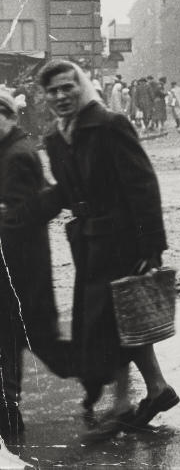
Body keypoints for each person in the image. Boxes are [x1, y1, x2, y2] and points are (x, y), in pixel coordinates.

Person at [26, 60, 178, 435]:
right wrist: (22, 213)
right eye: (53, 91)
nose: (61, 96)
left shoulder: (110, 125)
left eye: (67, 87)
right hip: (89, 245)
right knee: (115, 322)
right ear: (44, 97)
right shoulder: (57, 137)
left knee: (112, 321)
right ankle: (152, 390)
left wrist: (152, 245)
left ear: (81, 86)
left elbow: (142, 184)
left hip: (122, 240)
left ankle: (125, 401)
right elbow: (66, 191)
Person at [0, 89, 74, 443]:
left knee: (37, 343)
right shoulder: (12, 150)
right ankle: (8, 413)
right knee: (15, 339)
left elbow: (22, 215)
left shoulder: (17, 155)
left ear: (11, 117)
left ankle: (101, 368)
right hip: (20, 268)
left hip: (21, 268)